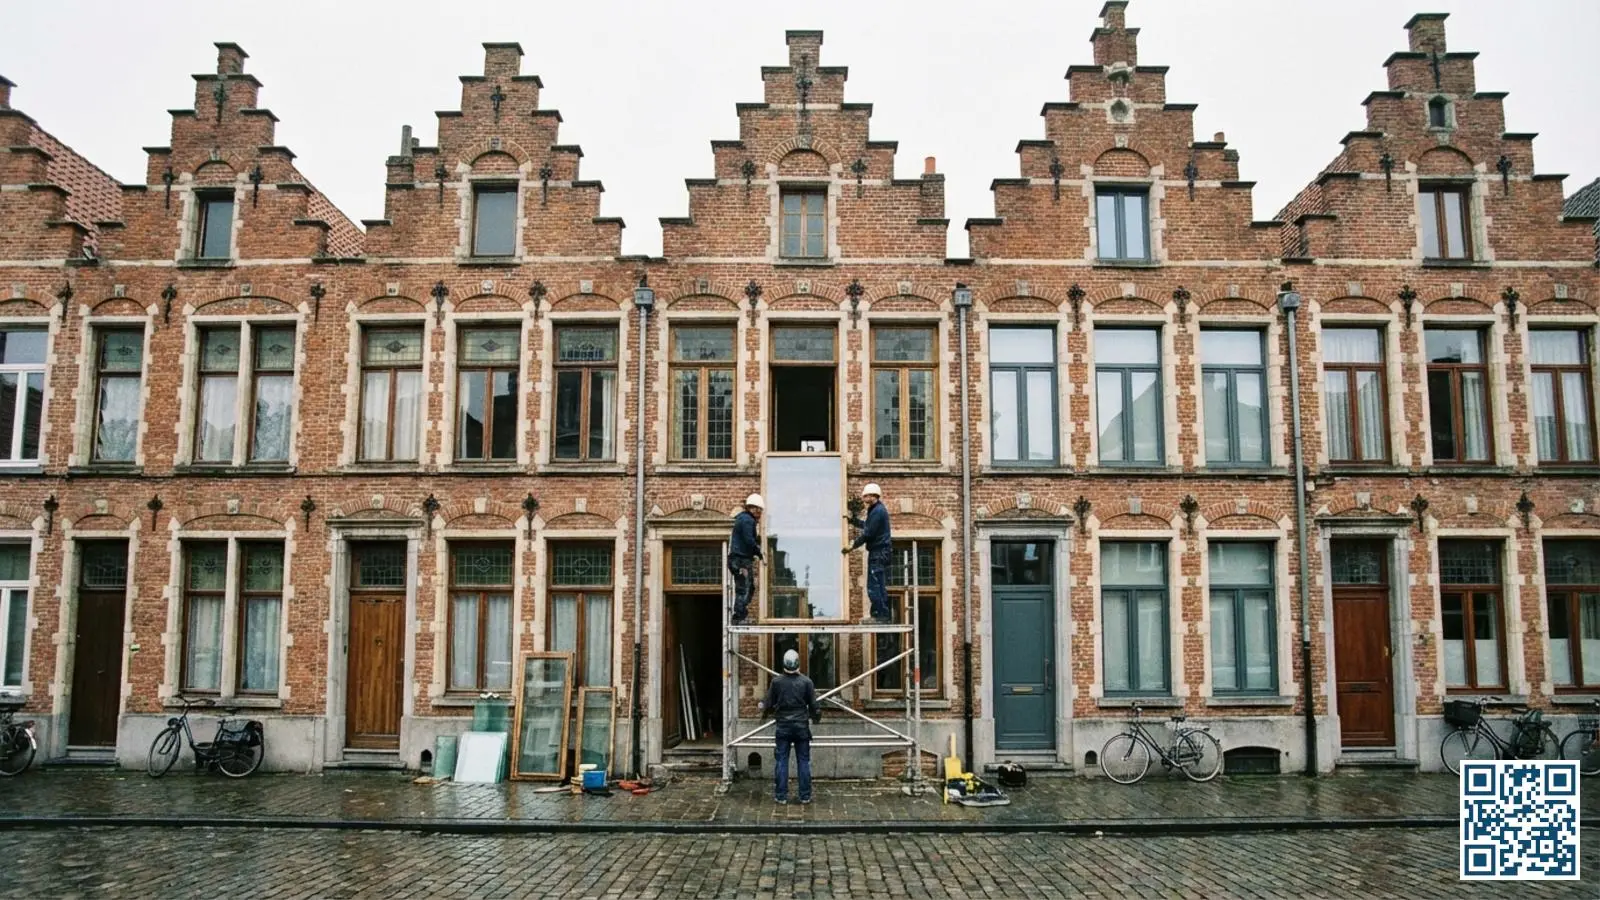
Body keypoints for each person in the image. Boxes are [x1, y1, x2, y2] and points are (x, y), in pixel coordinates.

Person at [762, 648, 819, 804]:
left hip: (783, 727)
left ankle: (781, 796)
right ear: (798, 663)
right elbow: (814, 705)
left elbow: (768, 703)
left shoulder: (777, 682)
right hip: (801, 727)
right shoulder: (806, 682)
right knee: (803, 761)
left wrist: (764, 715)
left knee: (781, 760)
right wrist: (816, 718)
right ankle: (805, 795)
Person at [843, 482, 892, 623]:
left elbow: (868, 533)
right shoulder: (876, 510)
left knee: (874, 584)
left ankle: (879, 616)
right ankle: (880, 614)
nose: (864, 499)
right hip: (880, 552)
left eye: (866, 496)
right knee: (878, 583)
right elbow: (868, 526)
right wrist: (854, 521)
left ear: (873, 496)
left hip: (879, 552)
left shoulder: (878, 511)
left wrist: (852, 545)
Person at [728, 493, 764, 624]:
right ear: (753, 508)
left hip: (738, 560)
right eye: (759, 511)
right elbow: (749, 540)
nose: (760, 514)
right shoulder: (748, 520)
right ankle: (738, 616)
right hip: (741, 561)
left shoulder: (743, 519)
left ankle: (740, 613)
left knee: (749, 587)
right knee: (744, 588)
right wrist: (760, 553)